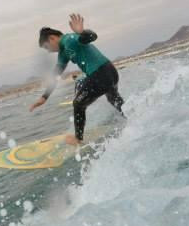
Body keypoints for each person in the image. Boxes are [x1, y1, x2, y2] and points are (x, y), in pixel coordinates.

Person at [29, 13, 125, 145]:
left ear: (52, 38)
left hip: (100, 74)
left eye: (46, 47)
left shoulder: (70, 39)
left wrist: (82, 32)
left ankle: (78, 139)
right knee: (106, 96)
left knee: (78, 104)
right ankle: (130, 117)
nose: (49, 51)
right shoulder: (63, 52)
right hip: (110, 72)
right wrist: (44, 97)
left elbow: (92, 37)